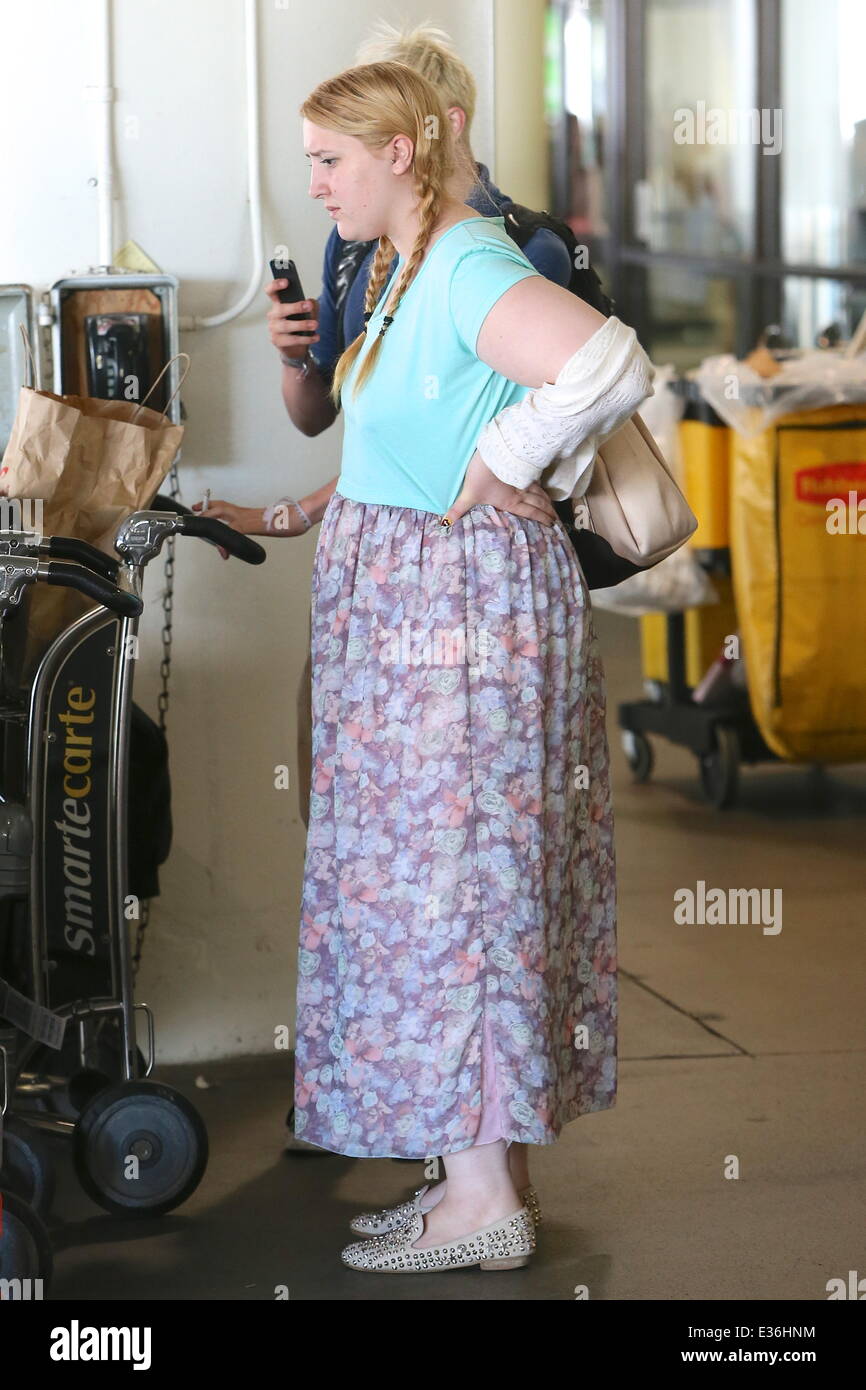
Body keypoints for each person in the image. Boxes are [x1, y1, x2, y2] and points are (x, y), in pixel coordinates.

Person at [199, 57, 654, 1275]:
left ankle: (484, 1201)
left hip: (458, 628)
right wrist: (295, 514)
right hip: (408, 621)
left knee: (457, 893)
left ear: (400, 151)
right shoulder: (401, 271)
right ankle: (468, 1171)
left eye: (329, 161)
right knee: (426, 897)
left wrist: (508, 459)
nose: (314, 183)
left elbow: (608, 361)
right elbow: (395, 445)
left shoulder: (465, 261)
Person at [194, 22, 572, 832]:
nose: (327, 177)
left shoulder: (504, 252)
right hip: (377, 581)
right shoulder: (364, 248)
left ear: (435, 131)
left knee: (447, 836)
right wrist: (296, 360)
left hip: (457, 585)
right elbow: (336, 421)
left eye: (345, 150)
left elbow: (483, 433)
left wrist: (500, 458)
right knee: (363, 822)